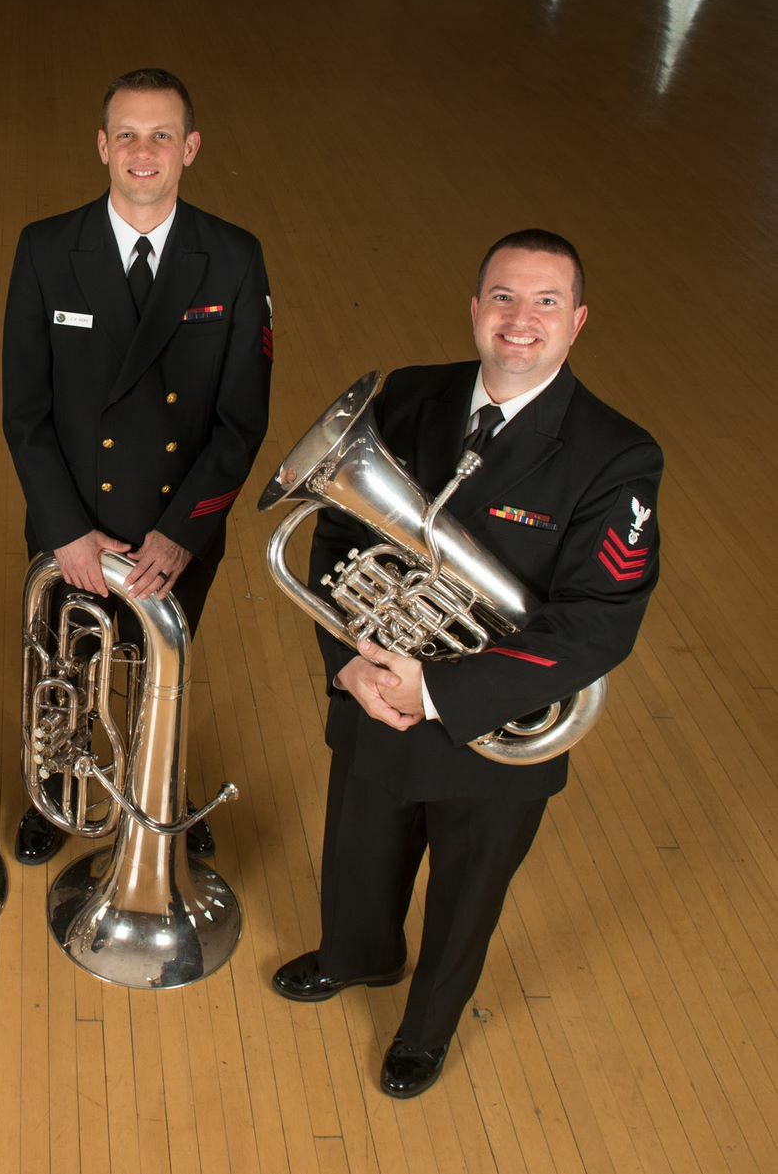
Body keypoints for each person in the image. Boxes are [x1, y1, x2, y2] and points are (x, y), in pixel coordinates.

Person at [270, 229, 663, 1099]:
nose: (520, 321)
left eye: (545, 303)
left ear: (578, 321)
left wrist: (439, 687)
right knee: (358, 852)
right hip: (377, 688)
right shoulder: (410, 397)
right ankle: (357, 956)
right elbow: (337, 535)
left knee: (466, 892)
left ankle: (426, 1027)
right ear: (475, 308)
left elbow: (598, 625)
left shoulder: (617, 455)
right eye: (503, 298)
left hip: (497, 724)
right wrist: (349, 666)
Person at [1, 67, 274, 864]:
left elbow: (240, 420)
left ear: (189, 147)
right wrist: (66, 532)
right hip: (74, 522)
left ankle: (164, 789)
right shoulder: (47, 248)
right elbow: (25, 412)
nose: (143, 151)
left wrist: (183, 531)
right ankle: (55, 792)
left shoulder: (233, 258)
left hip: (175, 528)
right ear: (101, 145)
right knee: (65, 664)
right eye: (127, 134)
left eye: (161, 135)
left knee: (163, 666)